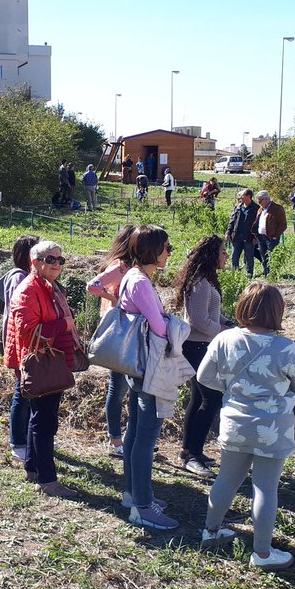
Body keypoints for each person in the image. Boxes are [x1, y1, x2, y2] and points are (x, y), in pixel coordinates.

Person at [197, 281, 295, 571]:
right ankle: (262, 553)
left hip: (234, 422)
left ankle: (210, 531)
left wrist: (230, 389)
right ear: (277, 312)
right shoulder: (286, 348)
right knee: (265, 488)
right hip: (273, 428)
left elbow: (203, 376)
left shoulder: (224, 339)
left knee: (226, 479)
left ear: (242, 307)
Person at [4, 240, 81, 498]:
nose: (57, 264)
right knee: (45, 422)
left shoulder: (47, 286)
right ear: (35, 263)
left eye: (60, 260)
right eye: (50, 259)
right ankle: (47, 481)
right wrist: (64, 325)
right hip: (40, 364)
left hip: (50, 361)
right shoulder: (28, 290)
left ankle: (33, 469)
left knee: (40, 418)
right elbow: (29, 333)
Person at [118, 225, 179, 530]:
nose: (170, 252)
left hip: (138, 367)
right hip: (150, 369)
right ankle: (142, 506)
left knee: (135, 433)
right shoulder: (141, 282)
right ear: (153, 251)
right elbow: (160, 329)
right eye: (168, 247)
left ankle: (133, 494)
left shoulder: (133, 276)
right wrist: (178, 325)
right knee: (146, 437)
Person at [169, 236, 233, 479]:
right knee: (210, 399)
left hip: (202, 346)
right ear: (211, 255)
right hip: (197, 348)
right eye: (223, 252)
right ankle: (192, 455)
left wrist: (225, 323)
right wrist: (223, 330)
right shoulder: (200, 283)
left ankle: (190, 451)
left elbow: (210, 315)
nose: (226, 256)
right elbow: (198, 320)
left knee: (200, 399)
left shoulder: (204, 281)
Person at [86, 224, 138, 458]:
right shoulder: (120, 265)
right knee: (117, 389)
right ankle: (116, 441)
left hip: (124, 330)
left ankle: (124, 438)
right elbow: (92, 285)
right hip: (117, 331)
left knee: (124, 387)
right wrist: (114, 297)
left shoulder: (131, 267)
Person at [0, 235, 41, 462]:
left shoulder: (28, 277)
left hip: (27, 345)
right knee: (22, 392)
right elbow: (20, 316)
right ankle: (18, 442)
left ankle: (26, 437)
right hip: (20, 345)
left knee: (27, 391)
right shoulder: (19, 278)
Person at [253, 190, 287, 277]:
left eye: (260, 200)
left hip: (271, 238)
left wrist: (275, 235)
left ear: (266, 199)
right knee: (264, 258)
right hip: (261, 237)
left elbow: (283, 225)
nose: (259, 202)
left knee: (271, 256)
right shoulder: (261, 209)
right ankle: (266, 273)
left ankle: (273, 274)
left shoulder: (277, 208)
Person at [225, 189, 259, 276]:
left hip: (249, 237)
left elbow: (258, 224)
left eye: (243, 195)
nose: (240, 197)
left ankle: (249, 274)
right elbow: (232, 220)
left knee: (249, 257)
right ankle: (235, 274)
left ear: (248, 196)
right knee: (234, 256)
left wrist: (256, 237)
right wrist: (228, 232)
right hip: (236, 236)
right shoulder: (238, 207)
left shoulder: (256, 208)